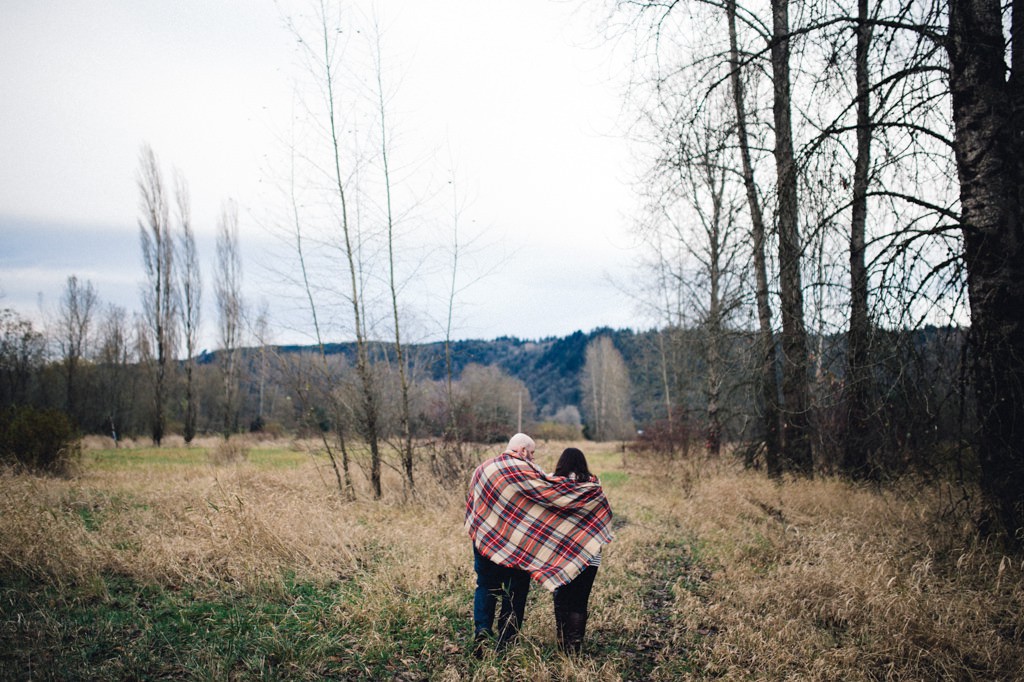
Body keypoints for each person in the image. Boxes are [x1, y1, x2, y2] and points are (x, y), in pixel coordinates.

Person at [465, 433, 613, 658]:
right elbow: (545, 502)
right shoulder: (527, 472)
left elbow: (474, 505)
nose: (533, 458)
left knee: (485, 586)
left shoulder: (483, 469)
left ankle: (482, 632)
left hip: (485, 539)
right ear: (523, 451)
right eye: (532, 453)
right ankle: (507, 642)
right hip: (515, 547)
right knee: (515, 591)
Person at [551, 447, 605, 654]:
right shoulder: (594, 484)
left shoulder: (552, 484)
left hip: (560, 555)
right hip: (589, 555)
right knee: (580, 601)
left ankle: (562, 641)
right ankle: (574, 647)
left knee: (561, 596)